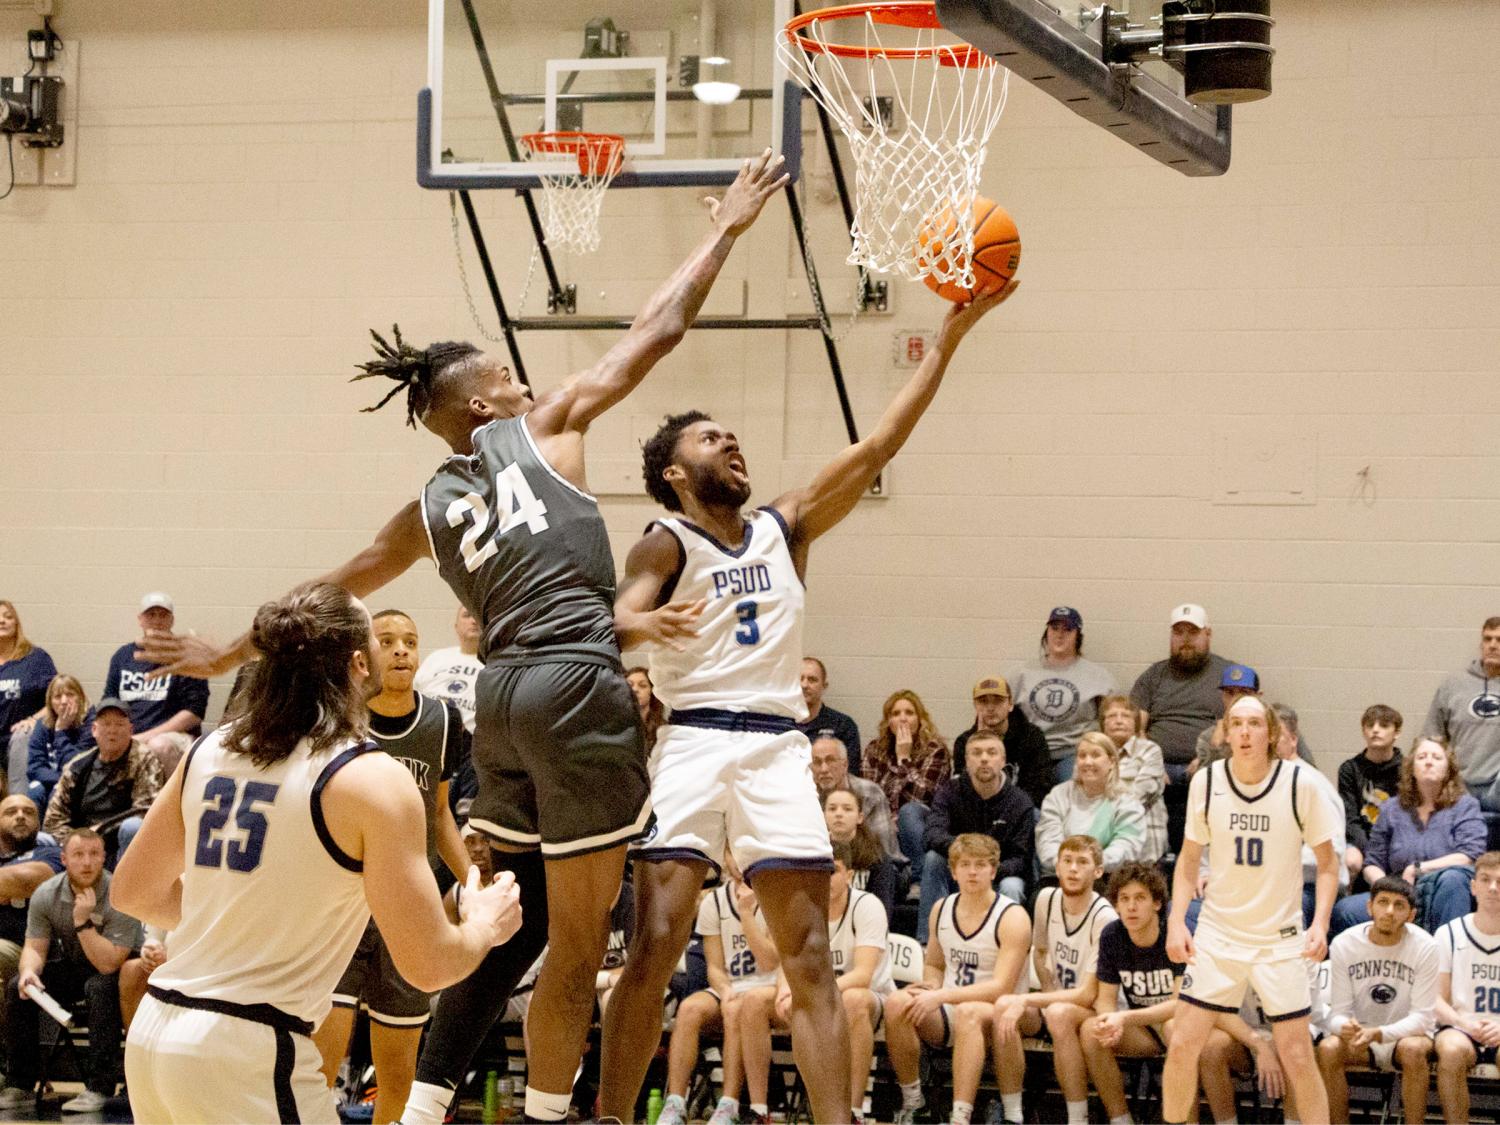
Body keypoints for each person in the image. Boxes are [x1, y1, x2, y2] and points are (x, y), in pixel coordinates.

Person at [136, 154, 791, 1125]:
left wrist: (231, 651)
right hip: (574, 685)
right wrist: (727, 227)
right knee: (578, 944)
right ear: (482, 406)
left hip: (498, 702)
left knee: (509, 923)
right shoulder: (552, 426)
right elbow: (659, 329)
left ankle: (429, 1097)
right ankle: (555, 1114)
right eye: (501, 373)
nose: (522, 377)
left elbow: (341, 578)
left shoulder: (427, 508)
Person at [600, 281, 1013, 1123]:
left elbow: (880, 441)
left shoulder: (783, 526)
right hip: (692, 742)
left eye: (735, 434)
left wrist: (949, 336)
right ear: (677, 472)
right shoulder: (665, 536)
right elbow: (618, 616)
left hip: (778, 749)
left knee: (813, 960)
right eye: (714, 438)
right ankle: (611, 1113)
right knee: (654, 944)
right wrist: (648, 623)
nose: (733, 442)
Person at [110, 582, 522, 1124]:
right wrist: (484, 928)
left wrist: (239, 916)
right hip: (249, 1052)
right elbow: (428, 967)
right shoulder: (373, 779)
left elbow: (133, 891)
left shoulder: (212, 748)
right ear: (358, 662)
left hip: (154, 1038)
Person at [313, 608, 470, 1124]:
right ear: (363, 657)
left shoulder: (443, 720)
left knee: (398, 1081)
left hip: (410, 910)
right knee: (318, 1071)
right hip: (342, 907)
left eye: (410, 640)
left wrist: (473, 882)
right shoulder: (335, 722)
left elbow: (441, 812)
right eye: (387, 641)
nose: (401, 649)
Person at [1162, 695, 1339, 1125]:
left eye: (1254, 724)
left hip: (1278, 939)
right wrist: (1175, 922)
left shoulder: (1302, 784)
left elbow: (1330, 864)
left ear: (1271, 733)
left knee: (1298, 1055)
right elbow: (1188, 862)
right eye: (1236, 723)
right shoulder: (1206, 782)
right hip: (1220, 933)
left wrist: (1320, 924)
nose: (1244, 732)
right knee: (1183, 1042)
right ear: (1224, 731)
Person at [737, 845, 893, 1125]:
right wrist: (788, 990)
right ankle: (759, 1109)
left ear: (849, 874)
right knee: (753, 1001)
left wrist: (805, 995)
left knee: (852, 1001)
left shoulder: (867, 905)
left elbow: (863, 975)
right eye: (825, 871)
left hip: (872, 1000)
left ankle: (853, 1112)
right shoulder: (802, 903)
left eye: (835, 871)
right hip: (813, 994)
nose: (828, 877)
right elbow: (787, 957)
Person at [885, 834, 1029, 1125]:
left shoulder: (1013, 916)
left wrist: (940, 996)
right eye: (965, 865)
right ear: (953, 871)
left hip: (1005, 1009)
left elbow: (1001, 987)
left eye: (980, 865)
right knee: (897, 1002)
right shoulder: (941, 908)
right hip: (953, 1004)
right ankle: (915, 1102)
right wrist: (930, 985)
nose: (972, 871)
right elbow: (936, 964)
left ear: (993, 870)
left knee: (970, 1012)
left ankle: (960, 1116)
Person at [0, 829, 139, 1113]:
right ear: (64, 859)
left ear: (104, 858)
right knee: (19, 987)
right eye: (78, 855)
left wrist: (82, 922)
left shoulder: (118, 894)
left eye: (94, 855)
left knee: (100, 987)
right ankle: (20, 1084)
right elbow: (35, 947)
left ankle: (100, 1087)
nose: (86, 862)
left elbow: (109, 963)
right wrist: (29, 971)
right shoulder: (46, 893)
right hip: (76, 964)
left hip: (118, 970)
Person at [993, 836, 1117, 1125]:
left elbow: (1089, 995)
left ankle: (1077, 1119)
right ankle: (1013, 1114)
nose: (1073, 869)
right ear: (1057, 867)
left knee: (1059, 1014)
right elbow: (1041, 951)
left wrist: (1035, 1000)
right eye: (1067, 861)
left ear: (1098, 871)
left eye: (1082, 862)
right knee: (1003, 1006)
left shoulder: (1105, 918)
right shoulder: (1046, 899)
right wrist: (1048, 991)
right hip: (1055, 1000)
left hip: (1095, 1008)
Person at [1332, 737, 1485, 936]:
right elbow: (1372, 862)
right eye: (1422, 757)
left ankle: (1443, 960)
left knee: (1452, 879)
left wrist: (1417, 869)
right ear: (1411, 767)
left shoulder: (1465, 805)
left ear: (1448, 769)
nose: (1429, 761)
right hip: (1400, 890)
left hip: (1445, 888)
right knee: (1345, 911)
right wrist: (1387, 889)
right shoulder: (1391, 808)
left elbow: (1469, 854)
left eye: (1437, 757)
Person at [657, 877, 778, 1125]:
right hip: (732, 985)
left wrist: (746, 915)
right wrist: (724, 990)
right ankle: (676, 1103)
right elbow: (714, 966)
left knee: (738, 1008)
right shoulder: (714, 900)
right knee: (690, 1008)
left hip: (770, 986)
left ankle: (728, 1105)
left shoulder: (776, 893)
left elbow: (770, 961)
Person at [1318, 876, 1438, 1125]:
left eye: (1399, 905)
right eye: (1383, 902)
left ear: (1411, 914)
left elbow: (1423, 1018)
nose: (1389, 911)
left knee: (1414, 1050)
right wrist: (1345, 1028)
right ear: (1369, 906)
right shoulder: (1344, 943)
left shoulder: (1426, 946)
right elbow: (1337, 1013)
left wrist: (1380, 1033)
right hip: (1362, 1038)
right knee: (1328, 1049)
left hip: (1405, 1036)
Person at [1078, 863, 1183, 1125]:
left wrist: (1123, 1020)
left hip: (1178, 1024)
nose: (1131, 907)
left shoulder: (1174, 934)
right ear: (1115, 905)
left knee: (1174, 1027)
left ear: (1157, 903)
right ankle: (1121, 1119)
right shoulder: (1112, 935)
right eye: (1124, 899)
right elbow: (1105, 1000)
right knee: (1093, 1029)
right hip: (1142, 1029)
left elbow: (1180, 1005)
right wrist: (1108, 1022)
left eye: (1140, 898)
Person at [1129, 603, 1234, 853]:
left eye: (1193, 632)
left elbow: (1232, 723)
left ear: (1208, 634)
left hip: (1206, 763)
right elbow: (1136, 725)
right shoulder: (1154, 675)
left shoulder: (1227, 673)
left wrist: (1206, 757)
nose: (1185, 640)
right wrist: (1151, 760)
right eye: (1179, 633)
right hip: (1158, 763)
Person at [917, 730, 1034, 940]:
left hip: (999, 875)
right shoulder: (949, 791)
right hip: (960, 871)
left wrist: (988, 869)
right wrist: (967, 855)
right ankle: (929, 941)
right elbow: (931, 835)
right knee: (933, 859)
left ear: (1003, 760)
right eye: (976, 753)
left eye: (991, 752)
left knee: (1013, 886)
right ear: (966, 761)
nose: (984, 759)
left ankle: (1006, 946)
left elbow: (1022, 858)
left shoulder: (1020, 802)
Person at [42, 696, 164, 863]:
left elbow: (146, 811)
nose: (112, 730)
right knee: (41, 839)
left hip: (117, 843)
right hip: (78, 842)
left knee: (133, 827)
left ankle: (124, 886)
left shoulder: (144, 759)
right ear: (94, 730)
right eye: (106, 724)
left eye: (119, 724)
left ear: (131, 730)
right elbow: (53, 820)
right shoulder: (78, 765)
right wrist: (77, 842)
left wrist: (99, 833)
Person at [104, 592, 209, 771]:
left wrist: (143, 738)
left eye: (163, 615)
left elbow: (194, 713)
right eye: (151, 615)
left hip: (173, 737)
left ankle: (169, 799)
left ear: (172, 620)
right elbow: (109, 702)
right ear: (140, 619)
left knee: (158, 746)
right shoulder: (122, 656)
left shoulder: (187, 656)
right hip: (130, 735)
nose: (157, 620)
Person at [1009, 606, 1115, 781]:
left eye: (1067, 629)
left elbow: (1115, 716)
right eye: (1054, 628)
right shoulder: (1021, 673)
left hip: (1076, 753)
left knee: (1077, 792)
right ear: (1047, 632)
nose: (1059, 634)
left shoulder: (1098, 675)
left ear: (1077, 636)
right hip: (1032, 753)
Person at [1433, 852, 1500, 1124]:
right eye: (1485, 880)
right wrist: (1464, 1023)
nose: (1493, 888)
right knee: (1450, 1050)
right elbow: (1436, 1000)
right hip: (1461, 1027)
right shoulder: (1448, 933)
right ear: (1473, 887)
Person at [863, 689, 953, 872]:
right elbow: (870, 794)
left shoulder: (936, 750)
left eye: (909, 713)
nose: (903, 718)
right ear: (888, 722)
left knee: (908, 811)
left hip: (920, 822)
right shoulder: (874, 749)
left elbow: (923, 796)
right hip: (882, 821)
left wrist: (903, 759)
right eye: (896, 714)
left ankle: (920, 877)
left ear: (920, 719)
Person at [1035, 732, 1146, 878]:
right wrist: (1070, 866)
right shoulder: (1058, 795)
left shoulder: (1127, 801)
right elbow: (1047, 841)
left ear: (1111, 762)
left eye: (1095, 755)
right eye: (1082, 756)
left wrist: (1089, 866)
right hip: (1059, 876)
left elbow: (1126, 845)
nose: (1088, 762)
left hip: (1105, 876)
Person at [1423, 616, 1500, 807]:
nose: (1492, 645)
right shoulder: (1453, 685)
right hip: (1459, 789)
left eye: (1499, 640)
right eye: (1487, 639)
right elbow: (1432, 739)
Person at [953, 675, 1053, 809]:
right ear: (975, 706)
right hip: (977, 810)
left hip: (1019, 809)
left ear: (1010, 704)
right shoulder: (964, 742)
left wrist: (1007, 808)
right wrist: (978, 744)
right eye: (983, 701)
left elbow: (1040, 788)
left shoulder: (1032, 737)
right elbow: (961, 790)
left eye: (998, 701)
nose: (990, 708)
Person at [0, 794, 63, 988]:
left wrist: (12, 884)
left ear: (38, 822)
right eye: (11, 812)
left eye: (28, 812)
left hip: (30, 951)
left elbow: (31, 881)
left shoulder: (51, 854)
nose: (20, 816)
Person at [1338, 704, 1405, 888]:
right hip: (1362, 840)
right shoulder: (1349, 769)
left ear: (1396, 732)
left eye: (1383, 725)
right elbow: (1350, 819)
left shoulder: (1407, 769)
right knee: (1352, 861)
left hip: (1396, 839)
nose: (1375, 730)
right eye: (1370, 725)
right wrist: (1370, 850)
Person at [1099, 695, 1167, 866]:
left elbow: (1141, 794)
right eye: (1112, 716)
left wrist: (1102, 804)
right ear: (1103, 724)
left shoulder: (1150, 751)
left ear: (1136, 724)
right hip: (1101, 846)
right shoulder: (1092, 753)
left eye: (1126, 716)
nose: (1119, 721)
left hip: (1144, 850)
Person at [0, 600, 57, 794]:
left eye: (8, 617)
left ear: (17, 624)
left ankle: (19, 805)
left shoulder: (35, 658)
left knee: (22, 736)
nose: (2, 621)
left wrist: (33, 720)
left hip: (21, 735)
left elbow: (56, 699)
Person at [810, 734, 896, 859]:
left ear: (845, 765)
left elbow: (884, 850)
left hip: (871, 865)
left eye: (830, 760)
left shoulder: (870, 793)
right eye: (817, 762)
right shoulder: (807, 797)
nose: (823, 769)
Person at [824, 785, 899, 919]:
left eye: (847, 809)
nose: (839, 814)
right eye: (832, 809)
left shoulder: (877, 857)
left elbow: (882, 910)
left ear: (860, 817)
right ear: (823, 815)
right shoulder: (815, 854)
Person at [25, 673, 94, 809]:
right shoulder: (42, 725)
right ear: (50, 702)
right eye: (57, 697)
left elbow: (76, 766)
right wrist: (60, 779)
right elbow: (34, 768)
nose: (64, 701)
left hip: (81, 785)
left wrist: (61, 731)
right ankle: (35, 831)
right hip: (52, 780)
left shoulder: (91, 724)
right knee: (35, 791)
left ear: (81, 698)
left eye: (70, 694)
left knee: (58, 792)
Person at [413, 604, 483, 734]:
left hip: (470, 742)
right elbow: (414, 694)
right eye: (467, 615)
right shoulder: (437, 658)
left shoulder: (493, 664)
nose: (473, 621)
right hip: (427, 732)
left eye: (477, 616)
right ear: (456, 626)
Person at [1190, 662, 1263, 770]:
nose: (1236, 699)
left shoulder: (1275, 729)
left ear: (1258, 696)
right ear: (1222, 697)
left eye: (1244, 692)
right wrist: (1216, 745)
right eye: (1230, 693)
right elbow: (1208, 780)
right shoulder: (1208, 736)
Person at [796, 657, 861, 776]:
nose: (804, 685)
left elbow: (851, 776)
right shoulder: (780, 723)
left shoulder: (843, 725)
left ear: (824, 686)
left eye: (812, 680)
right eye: (800, 679)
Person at [625, 665, 667, 749]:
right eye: (630, 685)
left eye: (642, 685)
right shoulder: (613, 726)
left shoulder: (663, 730)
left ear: (651, 692)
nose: (635, 689)